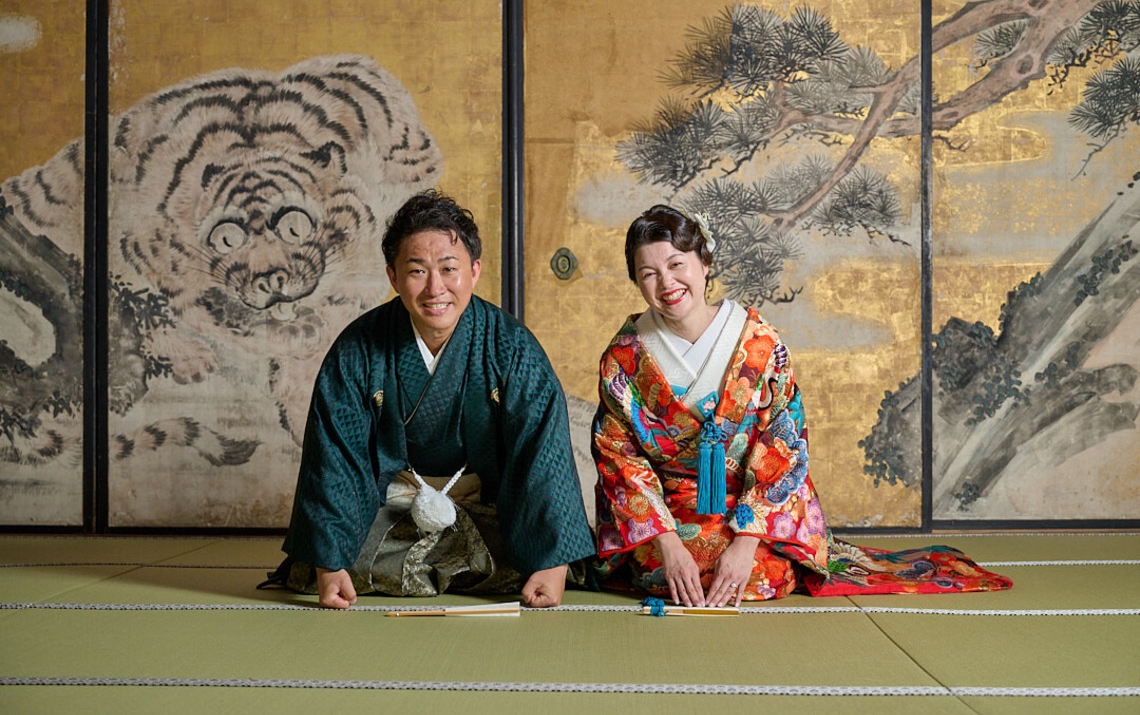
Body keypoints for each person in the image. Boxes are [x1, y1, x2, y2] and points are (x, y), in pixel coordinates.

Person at [591, 205, 1012, 606]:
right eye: (649, 273)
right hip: (669, 513)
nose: (667, 283)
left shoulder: (760, 343)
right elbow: (619, 458)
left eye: (677, 264)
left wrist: (745, 542)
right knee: (665, 571)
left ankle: (742, 553)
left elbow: (783, 448)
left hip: (744, 511)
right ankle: (671, 554)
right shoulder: (625, 360)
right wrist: (665, 542)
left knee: (757, 571)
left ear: (705, 262)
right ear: (637, 282)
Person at [268, 189, 595, 609]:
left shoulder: (511, 347)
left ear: (474, 271)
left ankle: (530, 561)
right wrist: (330, 564)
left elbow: (542, 451)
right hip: (393, 509)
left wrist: (551, 562)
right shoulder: (358, 349)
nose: (435, 288)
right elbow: (335, 458)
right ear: (393, 276)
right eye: (417, 271)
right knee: (339, 557)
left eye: (449, 268)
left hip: (486, 508)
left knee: (536, 556)